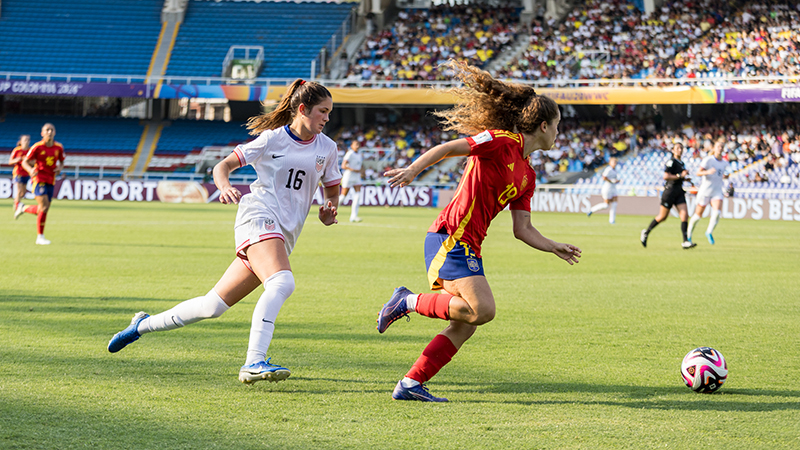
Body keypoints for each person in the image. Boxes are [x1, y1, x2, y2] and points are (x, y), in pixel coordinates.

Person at [107, 79, 342, 385]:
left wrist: (329, 211)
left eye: (329, 112)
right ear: (302, 109)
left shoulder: (328, 148)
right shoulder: (271, 140)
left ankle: (141, 325)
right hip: (258, 216)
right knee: (282, 282)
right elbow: (223, 166)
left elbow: (332, 191)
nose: (327, 118)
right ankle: (254, 361)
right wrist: (225, 186)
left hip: (283, 235)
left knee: (212, 306)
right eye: (323, 111)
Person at [375, 60, 582, 402]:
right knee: (482, 310)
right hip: (450, 237)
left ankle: (410, 384)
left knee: (466, 323)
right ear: (544, 125)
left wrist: (552, 245)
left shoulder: (528, 176)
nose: (559, 133)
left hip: (470, 245)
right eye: (558, 126)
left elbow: (522, 228)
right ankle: (406, 301)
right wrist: (413, 169)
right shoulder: (500, 141)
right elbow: (449, 148)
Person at [640, 143, 696, 249]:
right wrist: (680, 175)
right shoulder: (671, 162)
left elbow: (679, 177)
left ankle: (685, 241)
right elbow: (666, 176)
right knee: (662, 217)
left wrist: (685, 179)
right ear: (673, 150)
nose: (680, 150)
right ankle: (646, 232)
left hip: (679, 191)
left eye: (681, 148)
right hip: (670, 192)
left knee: (684, 215)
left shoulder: (681, 163)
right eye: (677, 148)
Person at [20, 124, 65, 245]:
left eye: (52, 130)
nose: (49, 132)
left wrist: (59, 168)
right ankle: (40, 237)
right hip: (39, 179)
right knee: (44, 207)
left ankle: (23, 208)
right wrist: (30, 170)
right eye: (47, 130)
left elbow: (61, 162)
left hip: (51, 179)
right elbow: (24, 162)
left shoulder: (59, 147)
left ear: (55, 133)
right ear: (42, 133)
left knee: (43, 209)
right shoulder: (37, 147)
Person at [687, 141, 728, 245]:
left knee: (717, 212)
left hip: (717, 190)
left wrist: (725, 176)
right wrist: (708, 172)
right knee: (698, 216)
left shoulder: (724, 163)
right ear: (714, 148)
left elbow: (720, 174)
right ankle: (688, 235)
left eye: (722, 147)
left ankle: (709, 232)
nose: (720, 148)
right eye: (718, 146)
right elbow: (698, 172)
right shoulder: (708, 160)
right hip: (705, 191)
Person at [586, 157, 619, 224]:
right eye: (613, 162)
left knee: (614, 204)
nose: (615, 164)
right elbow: (604, 177)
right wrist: (611, 180)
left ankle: (612, 220)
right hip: (607, 188)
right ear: (610, 163)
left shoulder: (615, 170)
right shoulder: (608, 169)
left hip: (613, 188)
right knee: (606, 205)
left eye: (615, 162)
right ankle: (591, 210)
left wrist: (616, 181)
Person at [339, 139, 364, 222]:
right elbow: (343, 165)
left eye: (358, 144)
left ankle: (354, 216)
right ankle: (330, 210)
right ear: (351, 146)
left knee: (358, 195)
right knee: (343, 197)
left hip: (357, 177)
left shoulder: (359, 154)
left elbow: (360, 165)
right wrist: (353, 169)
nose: (357, 146)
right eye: (356, 144)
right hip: (349, 176)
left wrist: (362, 172)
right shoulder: (350, 153)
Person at [9, 134, 31, 218]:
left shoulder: (30, 150)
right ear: (21, 141)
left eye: (28, 140)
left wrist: (27, 161)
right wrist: (17, 160)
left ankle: (16, 202)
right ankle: (17, 207)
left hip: (26, 173)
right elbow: (10, 161)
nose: (27, 141)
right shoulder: (17, 150)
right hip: (18, 173)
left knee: (23, 192)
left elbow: (34, 161)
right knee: (19, 190)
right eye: (25, 140)